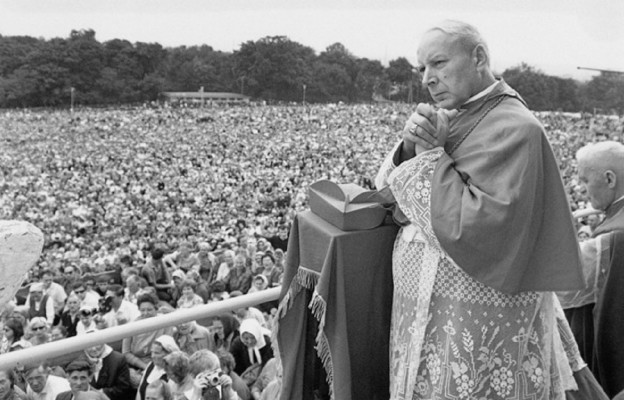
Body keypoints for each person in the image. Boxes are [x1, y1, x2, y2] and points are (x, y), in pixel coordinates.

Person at [375, 20, 586, 399]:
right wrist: (409, 147)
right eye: (422, 68)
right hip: (424, 306)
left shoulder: (518, 128)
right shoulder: (453, 114)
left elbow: (476, 227)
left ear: (478, 57)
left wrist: (428, 157)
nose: (427, 78)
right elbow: (389, 191)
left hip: (473, 314)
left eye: (438, 63)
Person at [558, 141, 624, 397]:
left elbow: (560, 287)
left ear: (609, 179)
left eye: (585, 180)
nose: (582, 189)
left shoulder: (612, 237)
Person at [79, 330, 134, 400]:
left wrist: (102, 393)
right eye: (89, 345)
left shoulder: (118, 360)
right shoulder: (80, 362)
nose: (94, 349)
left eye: (97, 344)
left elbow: (123, 387)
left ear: (103, 342)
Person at [230, 319, 273, 387]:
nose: (249, 341)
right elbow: (232, 362)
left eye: (253, 338)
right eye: (246, 338)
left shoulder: (266, 343)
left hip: (262, 378)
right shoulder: (238, 343)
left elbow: (268, 366)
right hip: (244, 378)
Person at [136, 335, 180, 400]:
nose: (152, 356)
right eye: (152, 352)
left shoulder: (173, 375)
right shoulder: (150, 365)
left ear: (168, 354)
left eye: (157, 353)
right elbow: (139, 391)